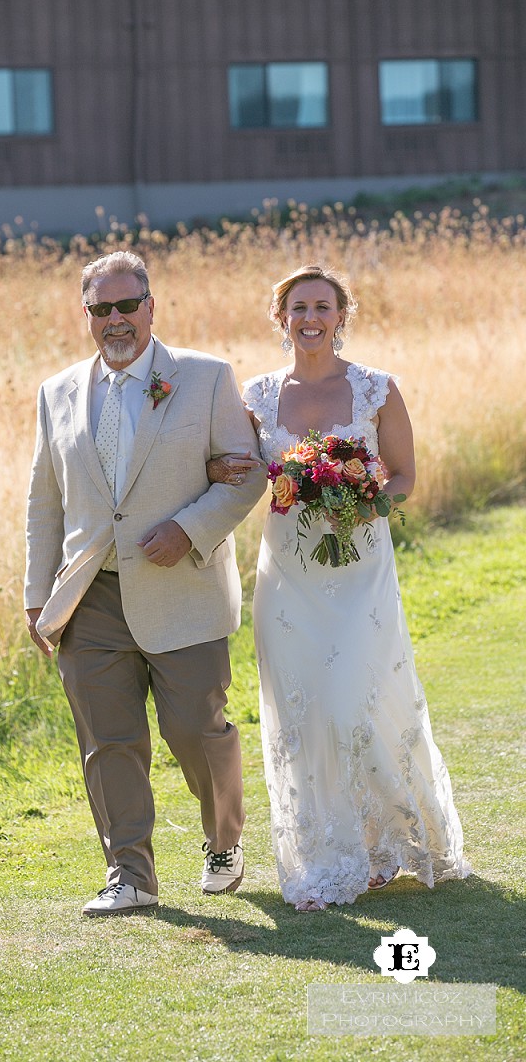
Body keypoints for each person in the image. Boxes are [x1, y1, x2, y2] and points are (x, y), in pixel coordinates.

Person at [208, 264, 470, 911]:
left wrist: (364, 500)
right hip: (289, 578)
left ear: (341, 314)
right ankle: (328, 855)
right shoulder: (260, 396)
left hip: (361, 570)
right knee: (307, 712)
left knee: (357, 698)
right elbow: (235, 468)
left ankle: (386, 841)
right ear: (281, 318)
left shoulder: (378, 390)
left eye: (322, 306)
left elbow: (405, 475)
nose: (310, 318)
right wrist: (219, 466)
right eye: (298, 308)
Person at [24, 250, 266, 916]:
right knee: (108, 742)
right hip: (91, 598)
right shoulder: (57, 392)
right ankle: (129, 876)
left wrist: (189, 528)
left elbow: (247, 476)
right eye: (101, 309)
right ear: (87, 315)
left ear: (151, 307)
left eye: (127, 305)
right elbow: (44, 500)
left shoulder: (206, 377)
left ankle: (224, 841)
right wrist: (36, 592)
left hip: (181, 586)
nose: (115, 319)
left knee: (196, 729)